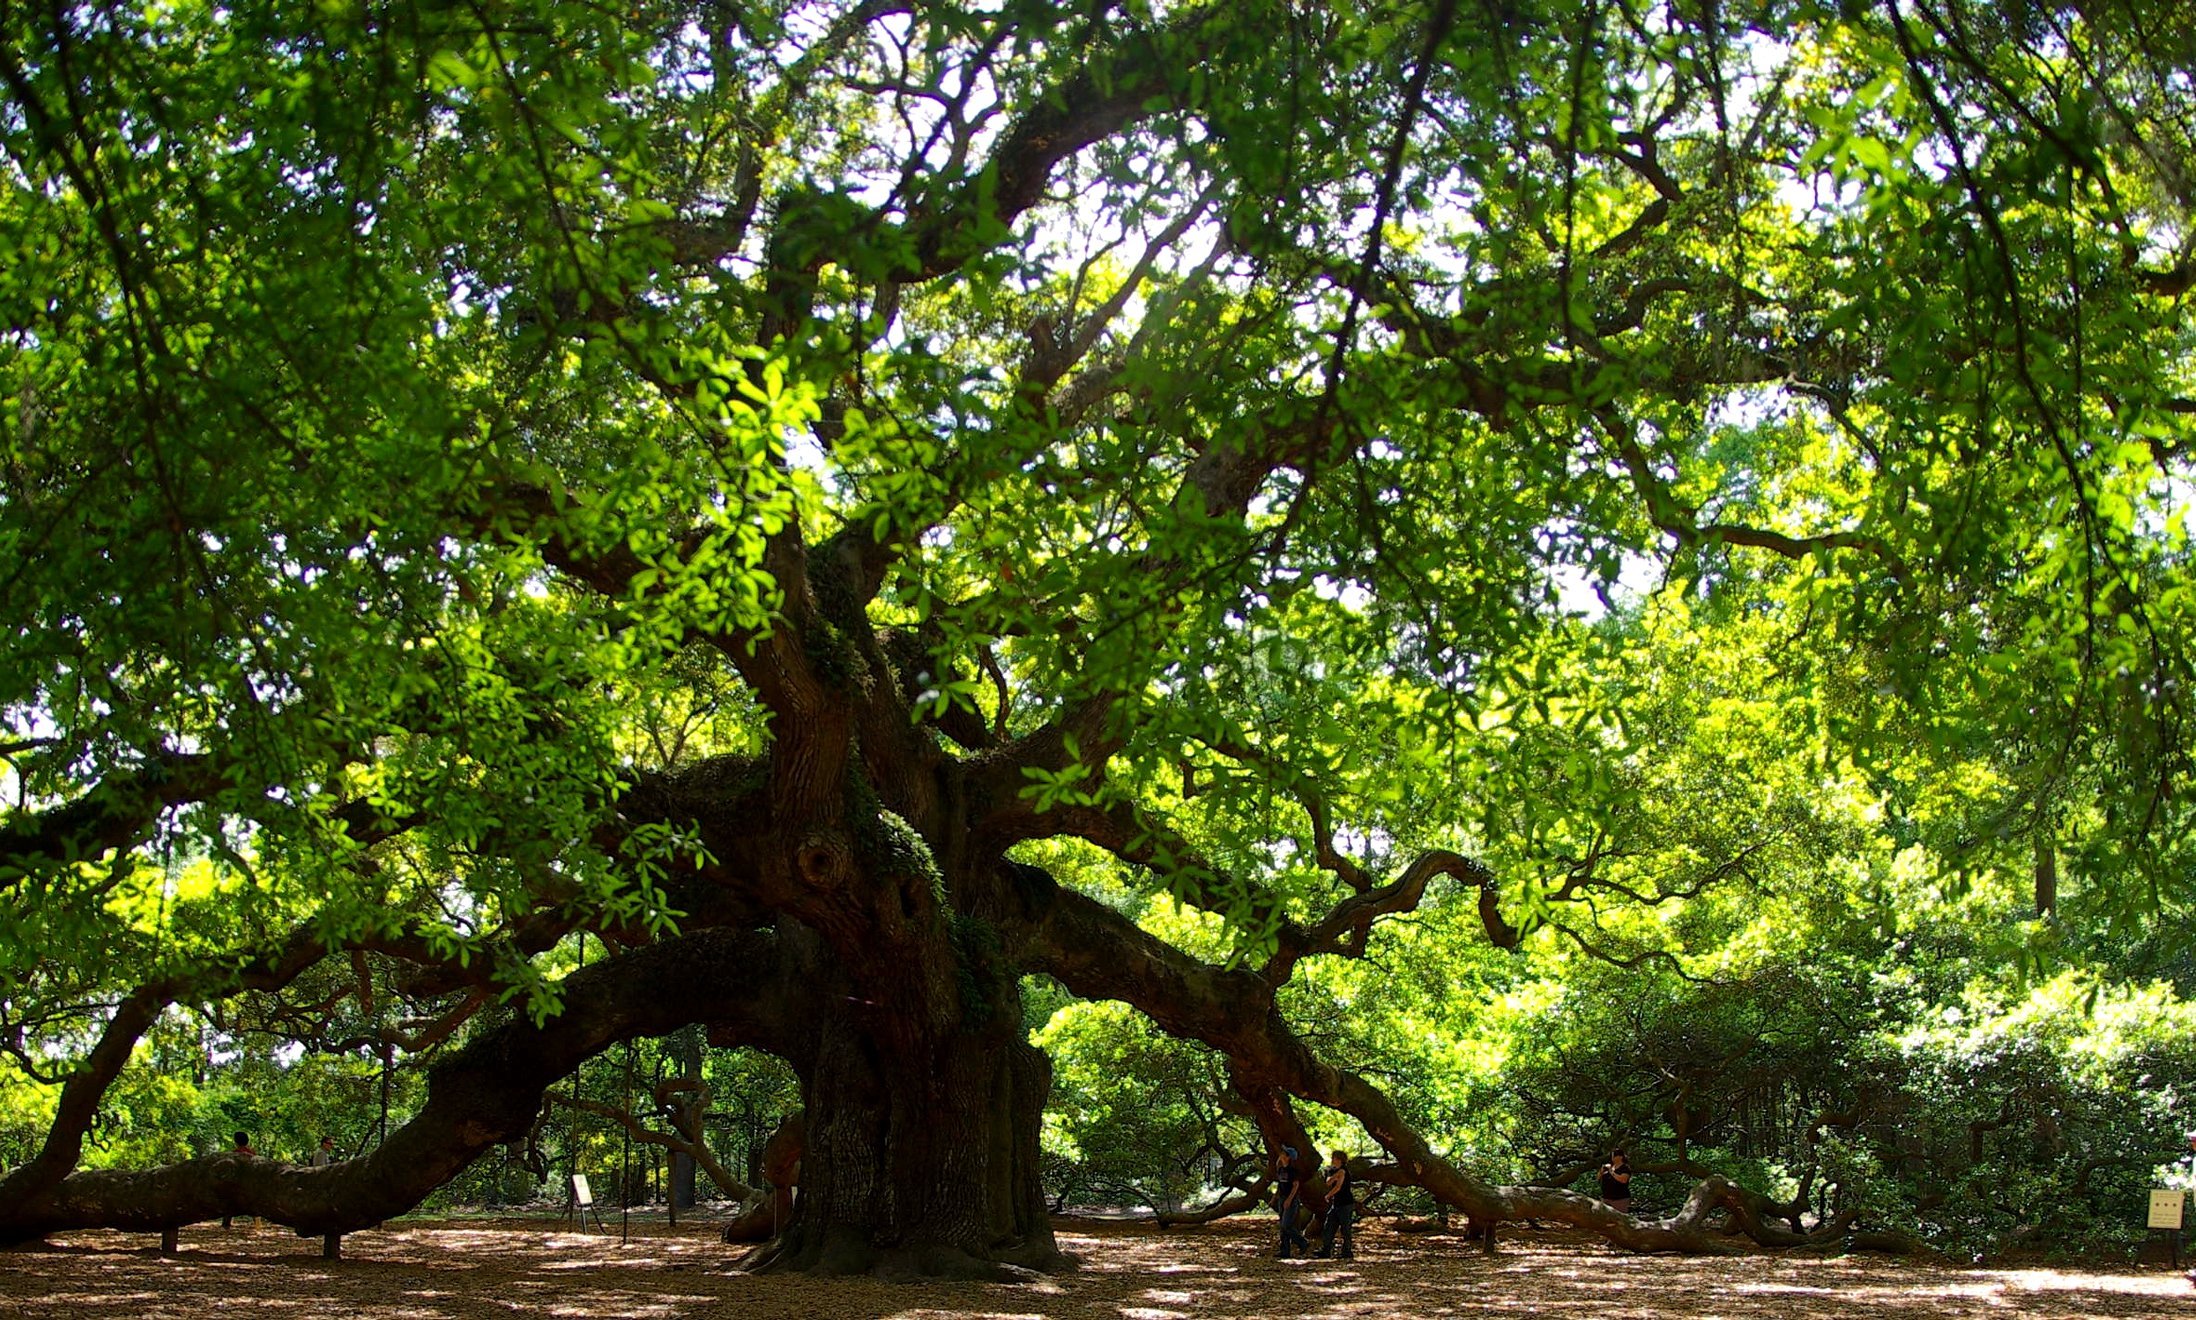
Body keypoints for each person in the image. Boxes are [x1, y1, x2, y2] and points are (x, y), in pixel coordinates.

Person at [1273, 1144, 1312, 1259]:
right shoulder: (1281, 1169)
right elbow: (1280, 1185)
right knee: (1283, 1226)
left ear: (1288, 1157)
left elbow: (1296, 1185)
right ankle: (1285, 1251)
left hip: (1291, 1199)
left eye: (1284, 1153)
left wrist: (1289, 1200)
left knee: (1286, 1225)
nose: (1281, 1154)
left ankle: (1302, 1242)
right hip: (1282, 1198)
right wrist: (1275, 1198)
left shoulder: (1292, 1171)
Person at [1315, 1149, 1356, 1259]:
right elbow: (1328, 1182)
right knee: (1329, 1226)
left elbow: (1338, 1187)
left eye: (1334, 1158)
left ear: (1339, 1160)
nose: (1332, 1160)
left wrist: (1328, 1195)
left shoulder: (1344, 1171)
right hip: (1336, 1204)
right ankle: (1326, 1250)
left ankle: (1347, 1251)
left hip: (1345, 1203)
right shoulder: (1333, 1171)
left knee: (1345, 1228)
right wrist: (1334, 1174)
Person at [222, 1132, 258, 1229]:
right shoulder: (252, 1153)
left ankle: (226, 1223)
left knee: (229, 1201)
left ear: (235, 1141)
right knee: (254, 1203)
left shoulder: (234, 1153)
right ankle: (257, 1224)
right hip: (249, 1181)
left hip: (237, 1182)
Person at [1597, 1148, 1632, 1215]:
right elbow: (1598, 1178)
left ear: (1621, 1157)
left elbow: (1623, 1180)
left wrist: (1611, 1171)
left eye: (1614, 1155)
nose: (1612, 1157)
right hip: (1606, 1198)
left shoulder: (1625, 1168)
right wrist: (1601, 1171)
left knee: (1619, 1218)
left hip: (1620, 1199)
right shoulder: (1609, 1167)